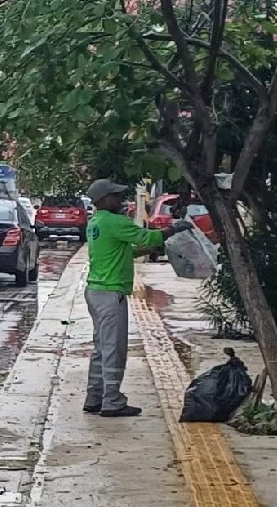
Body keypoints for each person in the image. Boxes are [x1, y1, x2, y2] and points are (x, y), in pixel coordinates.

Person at [82, 179, 192, 417]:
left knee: (101, 347)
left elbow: (126, 250)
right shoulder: (115, 221)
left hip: (95, 291)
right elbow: (149, 238)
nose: (120, 200)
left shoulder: (96, 223)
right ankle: (112, 401)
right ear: (103, 200)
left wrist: (150, 249)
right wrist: (173, 229)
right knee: (114, 348)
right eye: (115, 196)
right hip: (112, 293)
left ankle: (94, 397)